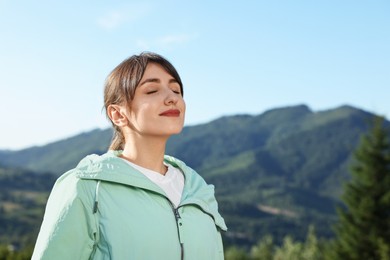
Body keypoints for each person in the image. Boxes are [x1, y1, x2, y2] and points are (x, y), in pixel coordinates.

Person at [32, 52, 227, 259]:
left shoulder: (199, 192)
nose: (172, 98)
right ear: (117, 114)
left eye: (176, 90)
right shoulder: (86, 188)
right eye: (152, 90)